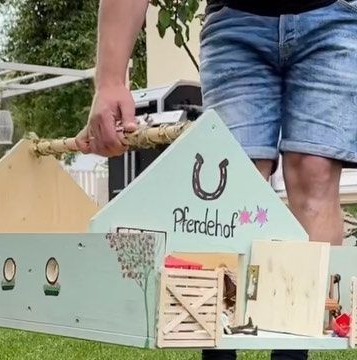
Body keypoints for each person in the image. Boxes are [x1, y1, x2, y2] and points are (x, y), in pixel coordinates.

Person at [76, 0, 357, 359]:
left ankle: (292, 352)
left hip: (332, 17)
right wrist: (110, 79)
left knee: (313, 174)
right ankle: (219, 349)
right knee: (229, 189)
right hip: (236, 22)